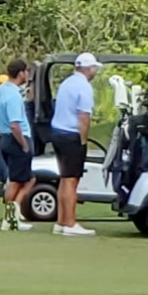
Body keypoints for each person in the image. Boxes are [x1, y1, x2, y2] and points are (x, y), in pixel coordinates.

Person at [50, 51, 102, 236]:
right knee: (72, 180)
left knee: (65, 178)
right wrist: (83, 141)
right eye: (94, 68)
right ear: (88, 69)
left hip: (57, 133)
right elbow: (84, 117)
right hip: (71, 136)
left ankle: (61, 222)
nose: (95, 71)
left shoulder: (67, 82)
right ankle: (70, 224)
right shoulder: (84, 87)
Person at [0, 58, 36, 231]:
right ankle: (9, 218)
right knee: (16, 181)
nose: (27, 75)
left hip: (6, 138)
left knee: (28, 178)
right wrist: (23, 144)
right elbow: (15, 124)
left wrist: (1, 131)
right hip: (17, 139)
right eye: (26, 71)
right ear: (21, 73)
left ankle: (13, 213)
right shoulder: (13, 95)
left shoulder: (1, 90)